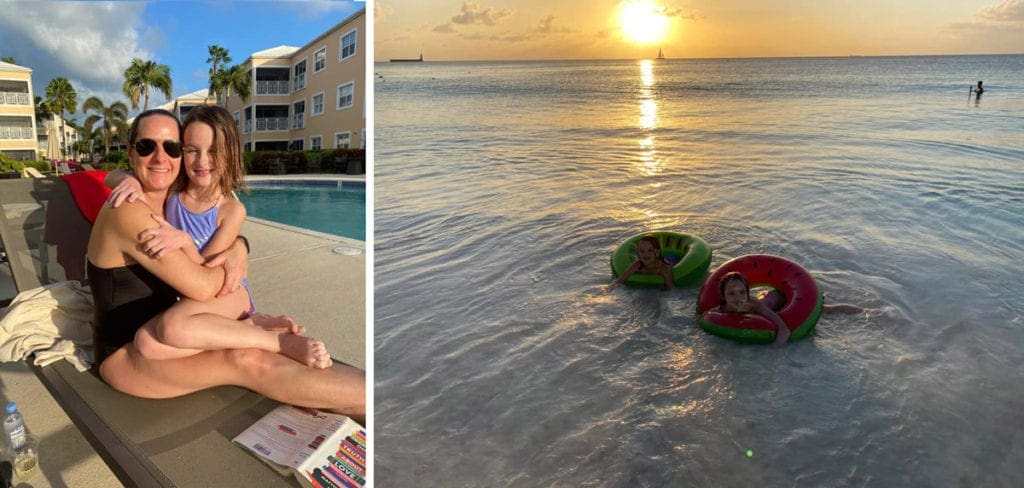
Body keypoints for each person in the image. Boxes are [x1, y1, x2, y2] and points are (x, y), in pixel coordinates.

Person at [86, 109, 363, 419]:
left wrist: (239, 246)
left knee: (243, 354)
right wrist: (235, 250)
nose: (160, 157)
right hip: (127, 354)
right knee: (246, 361)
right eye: (146, 146)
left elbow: (215, 221)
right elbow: (203, 286)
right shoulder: (129, 210)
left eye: (173, 147)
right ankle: (365, 398)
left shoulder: (168, 194)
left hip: (175, 329)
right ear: (130, 150)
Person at [103, 106, 329, 368]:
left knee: (168, 331)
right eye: (191, 150)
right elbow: (110, 176)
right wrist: (128, 180)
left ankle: (277, 342)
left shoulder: (231, 211)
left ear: (230, 155)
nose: (202, 162)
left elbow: (205, 273)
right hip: (194, 300)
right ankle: (248, 326)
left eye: (213, 151)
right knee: (147, 344)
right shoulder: (174, 189)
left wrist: (185, 241)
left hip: (228, 293)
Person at [718, 271, 863, 346]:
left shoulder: (755, 305)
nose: (738, 298)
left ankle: (863, 312)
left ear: (748, 293)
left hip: (777, 300)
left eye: (742, 292)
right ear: (723, 296)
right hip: (766, 297)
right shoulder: (723, 309)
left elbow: (784, 329)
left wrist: (775, 350)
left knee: (824, 310)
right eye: (731, 293)